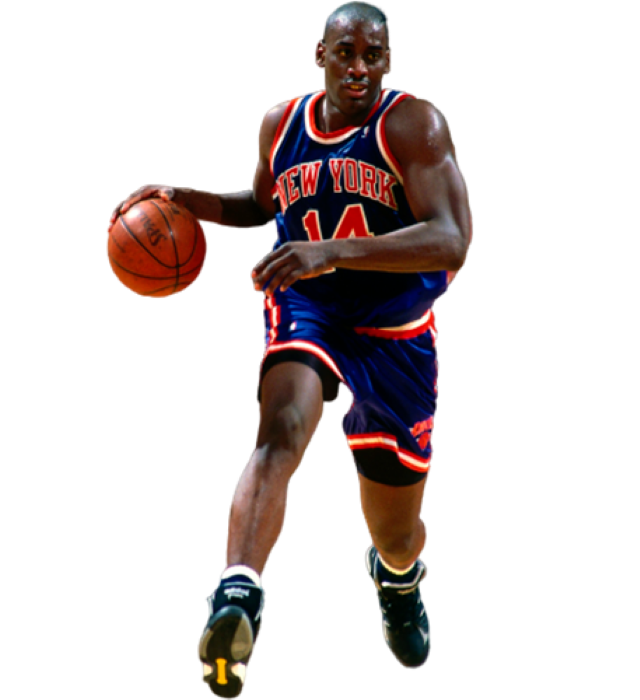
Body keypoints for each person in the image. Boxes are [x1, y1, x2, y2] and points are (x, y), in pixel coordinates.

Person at [108, 2, 472, 696]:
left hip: (396, 328)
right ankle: (237, 594)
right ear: (320, 55)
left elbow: (452, 240)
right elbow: (261, 205)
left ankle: (397, 579)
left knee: (397, 533)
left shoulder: (413, 124)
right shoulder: (282, 124)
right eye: (346, 52)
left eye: (372, 55)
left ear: (388, 62)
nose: (358, 67)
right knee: (279, 432)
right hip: (310, 304)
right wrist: (189, 200)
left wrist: (330, 250)